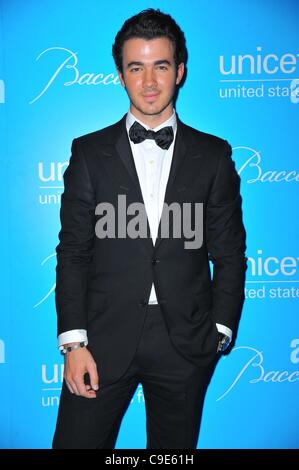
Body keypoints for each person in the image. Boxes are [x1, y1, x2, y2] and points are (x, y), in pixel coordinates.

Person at [52, 8, 247, 449]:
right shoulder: (89, 152)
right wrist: (73, 342)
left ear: (179, 72)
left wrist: (220, 330)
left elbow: (230, 253)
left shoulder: (213, 155)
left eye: (160, 66)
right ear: (120, 75)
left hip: (186, 342)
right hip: (100, 339)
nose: (150, 82)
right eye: (135, 68)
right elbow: (73, 252)